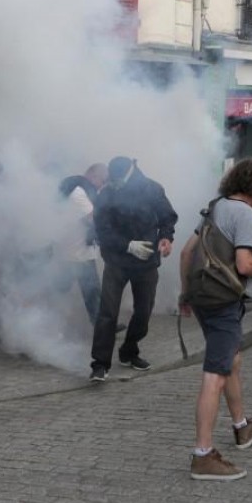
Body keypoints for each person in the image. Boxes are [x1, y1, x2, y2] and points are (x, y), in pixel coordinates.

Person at [179, 157, 252, 481]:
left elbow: (187, 253)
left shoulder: (216, 206)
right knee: (215, 374)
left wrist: (185, 294)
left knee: (231, 360)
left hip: (202, 296)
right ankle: (203, 455)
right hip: (224, 300)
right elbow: (244, 264)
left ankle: (242, 427)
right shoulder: (245, 214)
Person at [89, 157, 178, 381]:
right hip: (117, 261)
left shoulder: (152, 189)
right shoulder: (106, 194)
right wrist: (127, 245)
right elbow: (102, 230)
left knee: (144, 310)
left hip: (146, 262)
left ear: (130, 174)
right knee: (107, 312)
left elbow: (167, 217)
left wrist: (166, 238)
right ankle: (100, 364)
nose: (114, 183)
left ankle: (129, 351)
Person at [57, 163, 109, 325]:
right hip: (78, 251)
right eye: (103, 180)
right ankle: (102, 326)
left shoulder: (81, 189)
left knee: (80, 289)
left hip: (76, 250)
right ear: (93, 176)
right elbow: (92, 217)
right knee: (90, 290)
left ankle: (102, 325)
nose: (103, 185)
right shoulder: (79, 192)